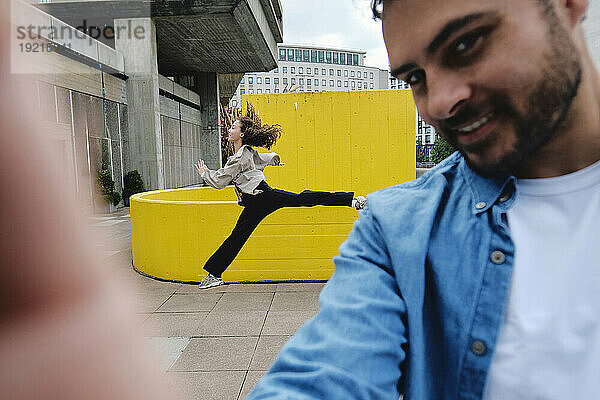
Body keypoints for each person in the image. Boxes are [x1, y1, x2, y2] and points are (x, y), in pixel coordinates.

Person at [247, 0, 600, 399]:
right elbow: (326, 377)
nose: (438, 102)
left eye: (466, 45)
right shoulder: (399, 231)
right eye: (415, 76)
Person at [194, 106, 367, 289]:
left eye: (233, 128)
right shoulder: (246, 153)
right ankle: (215, 274)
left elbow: (220, 180)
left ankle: (352, 201)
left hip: (263, 196)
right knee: (237, 236)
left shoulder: (239, 157)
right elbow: (261, 158)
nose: (229, 130)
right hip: (253, 201)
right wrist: (274, 159)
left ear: (242, 134)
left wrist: (205, 173)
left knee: (304, 198)